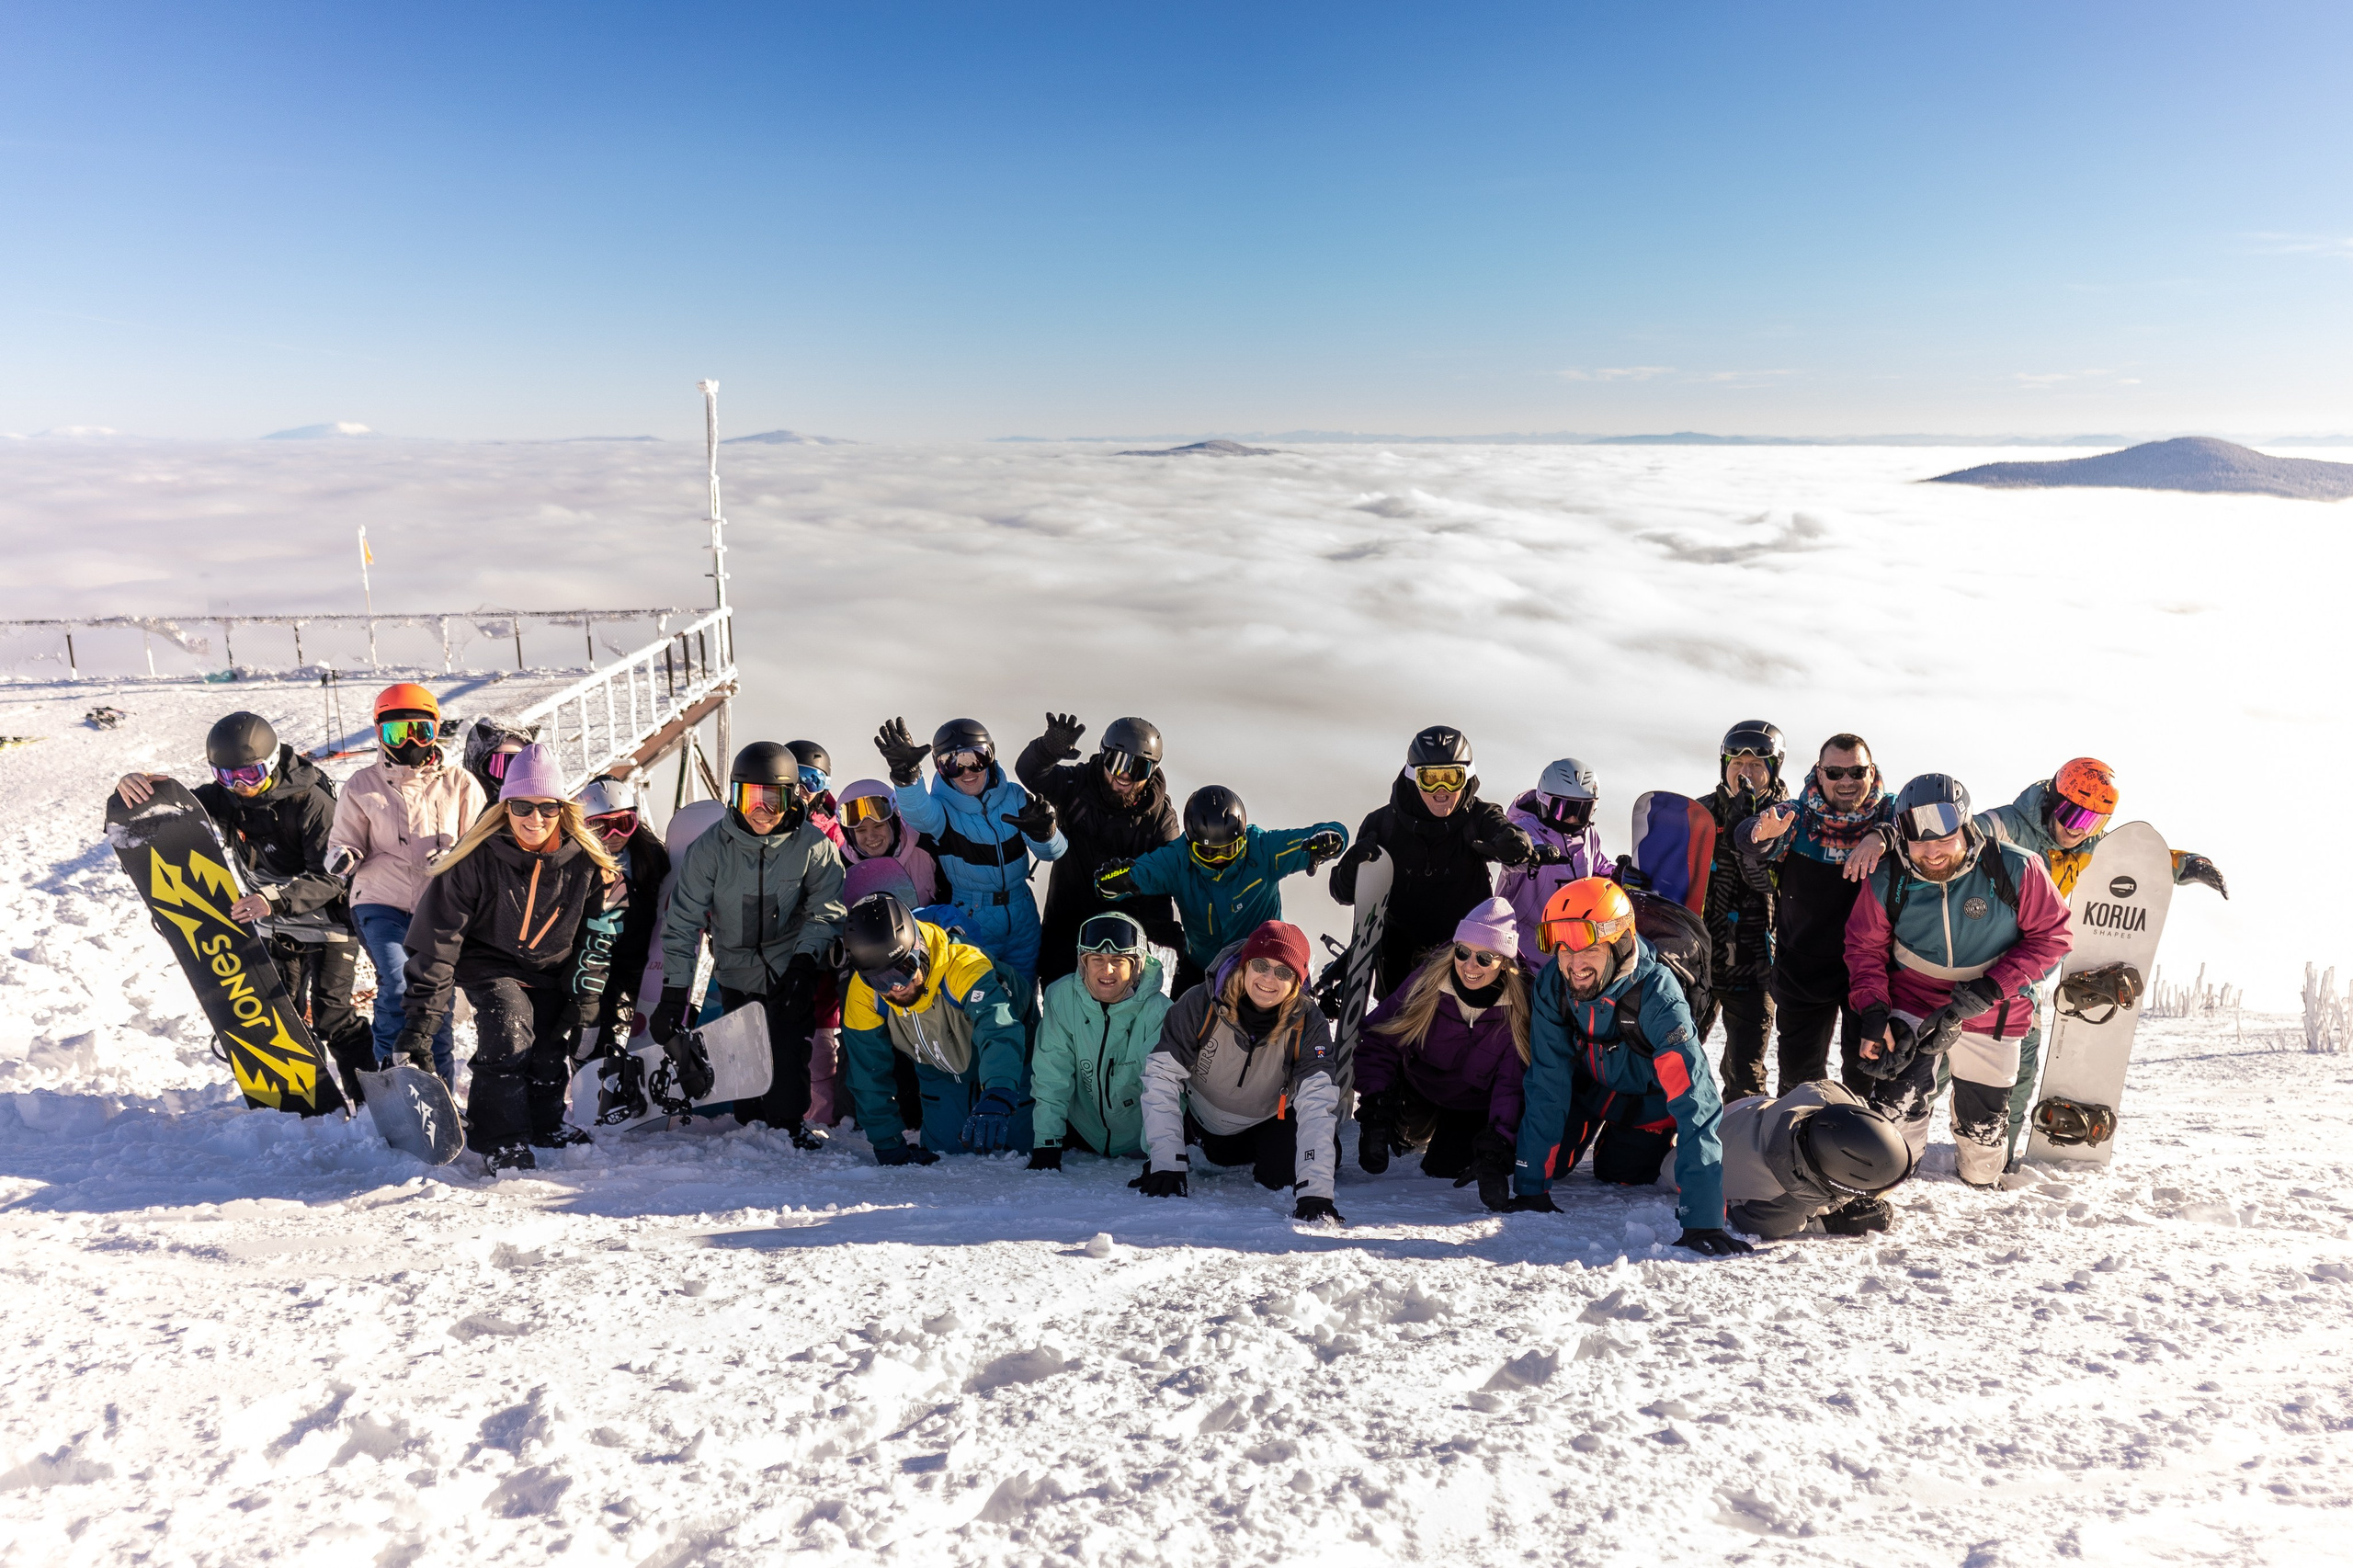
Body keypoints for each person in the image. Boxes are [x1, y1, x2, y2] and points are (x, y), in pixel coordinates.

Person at [1974, 756, 2228, 1165]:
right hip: (1970, 959)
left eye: (2091, 822)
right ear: (2051, 802)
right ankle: (1897, 1141)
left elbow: (2134, 859)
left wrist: (2187, 864)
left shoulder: (2089, 846)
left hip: (2022, 973)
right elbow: (1956, 838)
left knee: (2019, 1069)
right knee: (1941, 1060)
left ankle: (1997, 1154)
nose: (2077, 830)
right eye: (2071, 814)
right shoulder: (2006, 825)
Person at [116, 710, 376, 1104]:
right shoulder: (228, 797)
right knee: (283, 1016)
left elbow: (332, 877)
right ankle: (312, 1099)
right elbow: (170, 814)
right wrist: (132, 787)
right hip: (274, 925)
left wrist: (273, 899)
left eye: (250, 776)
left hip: (327, 923)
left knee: (332, 1017)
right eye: (227, 777)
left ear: (271, 764)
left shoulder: (312, 802)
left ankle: (371, 1101)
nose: (240, 787)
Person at [394, 743, 620, 1171]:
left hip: (552, 967)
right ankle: (499, 1137)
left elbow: (598, 936)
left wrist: (584, 997)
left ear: (562, 809)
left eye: (547, 808)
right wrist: (422, 1022)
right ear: (505, 806)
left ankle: (543, 1121)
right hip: (491, 963)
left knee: (550, 1045)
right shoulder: (476, 858)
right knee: (509, 1029)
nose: (534, 818)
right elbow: (437, 942)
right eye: (522, 806)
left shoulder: (587, 863)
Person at [1845, 774, 2074, 1189]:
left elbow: (2053, 937)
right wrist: (1874, 1009)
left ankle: (1981, 1187)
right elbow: (1863, 948)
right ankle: (1894, 1178)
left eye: (1943, 839)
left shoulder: (2016, 867)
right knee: (1900, 1101)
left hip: (1993, 1005)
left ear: (1966, 827)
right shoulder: (1890, 877)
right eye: (1919, 842)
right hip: (1914, 1002)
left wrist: (1989, 989)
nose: (1931, 853)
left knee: (1982, 1120)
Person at [1508, 879, 1746, 1256]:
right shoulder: (1554, 983)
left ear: (1618, 942)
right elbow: (1547, 1082)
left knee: (1622, 1175)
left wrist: (1703, 1219)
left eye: (1587, 947)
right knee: (1555, 1166)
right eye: (1561, 948)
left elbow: (1695, 1101)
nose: (1574, 962)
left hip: (1646, 1100)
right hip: (1589, 1090)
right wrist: (1531, 1187)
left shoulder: (1658, 996)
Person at [648, 741, 847, 1148]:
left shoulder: (813, 847)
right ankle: (752, 1134)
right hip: (736, 971)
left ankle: (789, 1127)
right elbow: (683, 921)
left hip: (789, 967)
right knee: (746, 1066)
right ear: (734, 798)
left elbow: (825, 910)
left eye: (772, 800)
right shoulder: (712, 849)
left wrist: (804, 965)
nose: (761, 811)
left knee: (787, 1055)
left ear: (791, 798)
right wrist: (673, 994)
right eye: (750, 798)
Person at [327, 682, 485, 1089]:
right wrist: (344, 856)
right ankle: (389, 1082)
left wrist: (454, 860)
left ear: (436, 730)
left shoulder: (460, 783)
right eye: (397, 733)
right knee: (399, 982)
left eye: (421, 731)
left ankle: (439, 1089)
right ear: (380, 733)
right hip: (381, 899)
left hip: (440, 905)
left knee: (437, 998)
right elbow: (344, 839)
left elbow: (480, 843)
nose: (411, 742)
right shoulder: (362, 785)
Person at [1136, 920, 1347, 1223]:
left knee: (1282, 1176)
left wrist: (1316, 1191)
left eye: (1284, 972)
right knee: (1213, 1151)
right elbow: (1161, 1077)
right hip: (1201, 1122)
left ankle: (1316, 1153)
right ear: (1245, 965)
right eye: (1261, 964)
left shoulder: (1308, 1023)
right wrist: (1167, 1164)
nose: (1269, 978)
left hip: (1266, 1118)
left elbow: (1316, 1100)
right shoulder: (1200, 1004)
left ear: (1297, 983)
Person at [1735, 733, 1894, 1092]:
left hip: (1870, 970)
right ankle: (1796, 1146)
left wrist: (1880, 835)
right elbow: (1749, 835)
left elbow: (1921, 822)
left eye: (1856, 771)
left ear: (1872, 771)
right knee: (1800, 1080)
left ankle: (1858, 1145)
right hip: (1804, 968)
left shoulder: (1889, 812)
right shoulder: (1800, 816)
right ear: (1819, 773)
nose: (1847, 781)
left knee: (1865, 1077)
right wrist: (1759, 835)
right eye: (1835, 772)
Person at [1329, 726, 1532, 1002]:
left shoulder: (1479, 818)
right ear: (1413, 778)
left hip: (1464, 960)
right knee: (1401, 1037)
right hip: (1399, 964)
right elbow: (1343, 893)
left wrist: (1515, 844)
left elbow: (1505, 831)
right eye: (1431, 778)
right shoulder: (1382, 825)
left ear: (1467, 777)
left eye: (1451, 777)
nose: (1442, 790)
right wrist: (1351, 868)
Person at [873, 717, 1067, 1005]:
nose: (966, 771)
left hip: (1022, 913)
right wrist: (906, 776)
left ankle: (1026, 1046)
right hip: (973, 917)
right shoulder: (942, 810)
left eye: (976, 758)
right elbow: (916, 812)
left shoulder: (1014, 797)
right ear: (940, 768)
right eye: (952, 763)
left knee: (1024, 999)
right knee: (981, 999)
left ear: (990, 757)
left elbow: (1053, 853)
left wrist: (1046, 833)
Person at [1354, 897, 1528, 1211]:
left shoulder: (1517, 1009)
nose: (1470, 965)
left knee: (1443, 1169)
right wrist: (1375, 1108)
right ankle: (1404, 1126)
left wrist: (1497, 1148)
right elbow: (1379, 1037)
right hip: (1419, 1089)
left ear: (1505, 962)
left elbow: (1511, 1085)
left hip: (1471, 1104)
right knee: (1403, 1138)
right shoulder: (1428, 983)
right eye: (1463, 952)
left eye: (1485, 958)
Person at [837, 891, 1034, 1160]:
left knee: (1023, 1149)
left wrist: (999, 1092)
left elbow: (999, 1028)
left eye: (903, 969)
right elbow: (867, 1071)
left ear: (918, 947)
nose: (896, 986)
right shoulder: (864, 992)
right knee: (946, 1152)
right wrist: (887, 1143)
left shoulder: (964, 963)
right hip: (940, 1068)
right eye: (881, 981)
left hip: (1016, 1057)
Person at [1096, 786, 1346, 983]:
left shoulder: (1263, 849)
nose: (1219, 859)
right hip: (1201, 967)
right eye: (1207, 852)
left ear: (1243, 839)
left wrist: (1329, 841)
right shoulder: (1176, 859)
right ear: (1190, 843)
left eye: (1229, 850)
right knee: (1178, 1031)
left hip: (1259, 967)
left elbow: (1317, 836)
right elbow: (1141, 874)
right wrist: (1119, 882)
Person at [1016, 713, 1187, 989]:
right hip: (1065, 927)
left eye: (1138, 768)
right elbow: (1031, 775)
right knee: (1060, 1007)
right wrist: (1046, 751)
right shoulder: (1079, 784)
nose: (1124, 776)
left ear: (1152, 771)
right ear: (1103, 755)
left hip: (1122, 943)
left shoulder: (1160, 819)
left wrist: (1166, 930)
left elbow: (1167, 874)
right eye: (1116, 762)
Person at [1028, 911, 1171, 1168]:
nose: (1107, 970)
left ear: (1136, 966)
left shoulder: (1160, 1013)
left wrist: (1162, 1157)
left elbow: (1162, 1090)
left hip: (1138, 1142)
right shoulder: (1061, 998)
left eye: (1119, 960)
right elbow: (1052, 1075)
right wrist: (1046, 1144)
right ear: (1083, 964)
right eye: (1097, 959)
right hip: (1082, 1133)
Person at [1701, 721, 1790, 1100]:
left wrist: (1749, 836)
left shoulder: (1789, 819)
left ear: (1773, 770)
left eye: (1756, 765)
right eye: (1737, 764)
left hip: (1757, 965)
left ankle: (1739, 1152)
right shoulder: (1700, 813)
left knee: (1745, 1073)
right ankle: (1659, 1139)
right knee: (1669, 1057)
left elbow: (1771, 884)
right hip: (1699, 959)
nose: (1745, 773)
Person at [1721, 1082, 1913, 1237]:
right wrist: (1833, 1221)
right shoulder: (1783, 1210)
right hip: (1717, 1157)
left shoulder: (1829, 1094)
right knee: (1871, 1218)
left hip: (1742, 1110)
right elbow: (1739, 1216)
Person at [574, 775, 670, 1053]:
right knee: (597, 1022)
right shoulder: (578, 862)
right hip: (600, 963)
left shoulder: (649, 854)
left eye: (623, 825)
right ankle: (596, 1071)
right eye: (601, 828)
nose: (614, 837)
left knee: (659, 1018)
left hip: (642, 955)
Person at [1497, 757, 1608, 971]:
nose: (1573, 819)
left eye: (1582, 810)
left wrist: (1620, 873)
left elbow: (1599, 866)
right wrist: (1531, 852)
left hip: (1570, 944)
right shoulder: (1525, 830)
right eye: (1565, 810)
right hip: (1522, 946)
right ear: (1545, 802)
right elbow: (1511, 852)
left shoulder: (1588, 835)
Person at [836, 779, 943, 906]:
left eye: (878, 826)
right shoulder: (840, 868)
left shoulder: (923, 847)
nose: (871, 837)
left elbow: (949, 891)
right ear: (850, 835)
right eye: (861, 830)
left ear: (893, 823)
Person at [461, 717, 534, 815]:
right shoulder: (460, 804)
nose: (510, 775)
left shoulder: (539, 808)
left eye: (521, 763)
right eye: (500, 765)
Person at [787, 740, 847, 850]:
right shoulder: (760, 819)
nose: (800, 789)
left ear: (823, 789)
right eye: (792, 781)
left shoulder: (834, 833)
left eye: (812, 782)